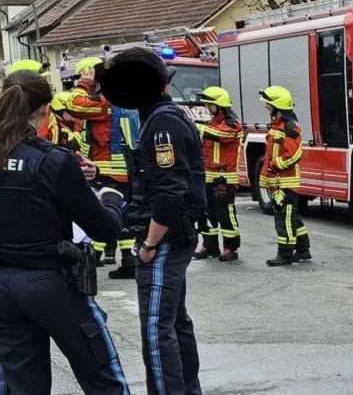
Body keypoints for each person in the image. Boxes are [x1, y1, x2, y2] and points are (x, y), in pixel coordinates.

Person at [0, 69, 131, 394]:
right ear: (45, 109)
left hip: (3, 287)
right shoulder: (52, 160)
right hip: (51, 283)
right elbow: (104, 229)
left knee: (21, 384)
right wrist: (112, 197)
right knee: (102, 377)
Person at [100, 47, 204, 395]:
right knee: (175, 323)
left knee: (157, 330)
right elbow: (154, 180)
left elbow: (170, 191)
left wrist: (148, 246)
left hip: (165, 237)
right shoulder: (160, 119)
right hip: (173, 234)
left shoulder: (162, 123)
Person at [68, 57, 141, 276]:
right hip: (124, 170)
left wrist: (83, 85)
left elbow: (73, 105)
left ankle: (92, 258)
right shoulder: (123, 100)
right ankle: (129, 260)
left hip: (106, 170)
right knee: (124, 215)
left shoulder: (103, 102)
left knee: (99, 215)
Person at [259, 85, 312, 267]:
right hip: (279, 181)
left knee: (284, 220)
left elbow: (293, 154)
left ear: (277, 106)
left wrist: (274, 166)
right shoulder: (279, 126)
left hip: (285, 182)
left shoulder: (289, 128)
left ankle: (285, 254)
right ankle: (303, 249)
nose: (267, 107)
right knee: (293, 217)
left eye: (269, 105)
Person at [193, 86, 243, 262]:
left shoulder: (232, 124)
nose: (207, 108)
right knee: (207, 212)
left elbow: (220, 135)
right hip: (207, 175)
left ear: (219, 106)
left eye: (209, 104)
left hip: (224, 177)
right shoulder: (211, 124)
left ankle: (231, 247)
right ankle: (210, 246)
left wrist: (195, 126)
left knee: (225, 213)